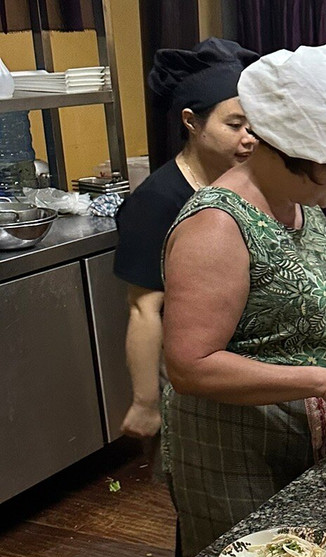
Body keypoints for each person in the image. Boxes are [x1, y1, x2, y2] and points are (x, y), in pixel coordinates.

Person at [161, 46, 326, 557]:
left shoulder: (302, 203)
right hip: (239, 447)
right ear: (295, 154)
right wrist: (322, 380)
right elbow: (189, 366)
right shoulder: (216, 225)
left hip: (308, 431)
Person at [113, 39, 258, 443]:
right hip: (191, 372)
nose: (250, 138)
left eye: (256, 126)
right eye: (235, 125)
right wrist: (146, 402)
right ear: (192, 122)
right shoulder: (157, 201)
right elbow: (144, 310)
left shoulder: (245, 182)